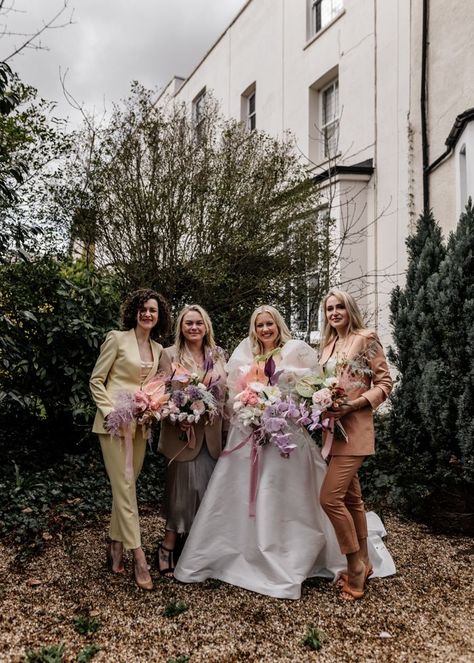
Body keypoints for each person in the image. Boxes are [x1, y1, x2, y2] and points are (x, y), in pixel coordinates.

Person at [174, 305, 394, 599]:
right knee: (247, 495)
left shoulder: (296, 351)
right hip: (252, 433)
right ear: (254, 329)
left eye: (270, 324)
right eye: (260, 325)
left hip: (287, 435)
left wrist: (277, 407)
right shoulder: (245, 355)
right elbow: (231, 396)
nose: (265, 329)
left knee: (301, 494)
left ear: (278, 325)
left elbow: (309, 392)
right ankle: (245, 550)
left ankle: (313, 554)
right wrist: (251, 408)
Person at [90, 288, 170, 590]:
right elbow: (97, 380)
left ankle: (115, 542)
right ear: (134, 312)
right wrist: (112, 412)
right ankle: (139, 557)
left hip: (141, 427)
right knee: (124, 487)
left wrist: (153, 407)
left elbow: (160, 386)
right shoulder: (116, 339)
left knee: (127, 485)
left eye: (153, 310)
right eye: (143, 309)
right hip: (114, 425)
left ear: (158, 315)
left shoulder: (159, 349)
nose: (148, 314)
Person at [319, 288, 393, 600]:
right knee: (352, 500)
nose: (334, 313)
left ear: (349, 309)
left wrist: (355, 404)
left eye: (340, 307)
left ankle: (354, 566)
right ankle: (364, 560)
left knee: (329, 499)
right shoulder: (327, 344)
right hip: (331, 433)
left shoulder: (366, 338)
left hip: (356, 430)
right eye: (329, 308)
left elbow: (385, 383)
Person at [157, 304, 227, 578]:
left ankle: (200, 550)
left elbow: (225, 393)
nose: (194, 327)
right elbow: (160, 394)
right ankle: (166, 547)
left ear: (206, 326)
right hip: (182, 436)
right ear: (181, 328)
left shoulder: (218, 354)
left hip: (211, 435)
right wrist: (177, 416)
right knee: (181, 493)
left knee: (208, 493)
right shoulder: (169, 354)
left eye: (199, 323)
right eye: (189, 323)